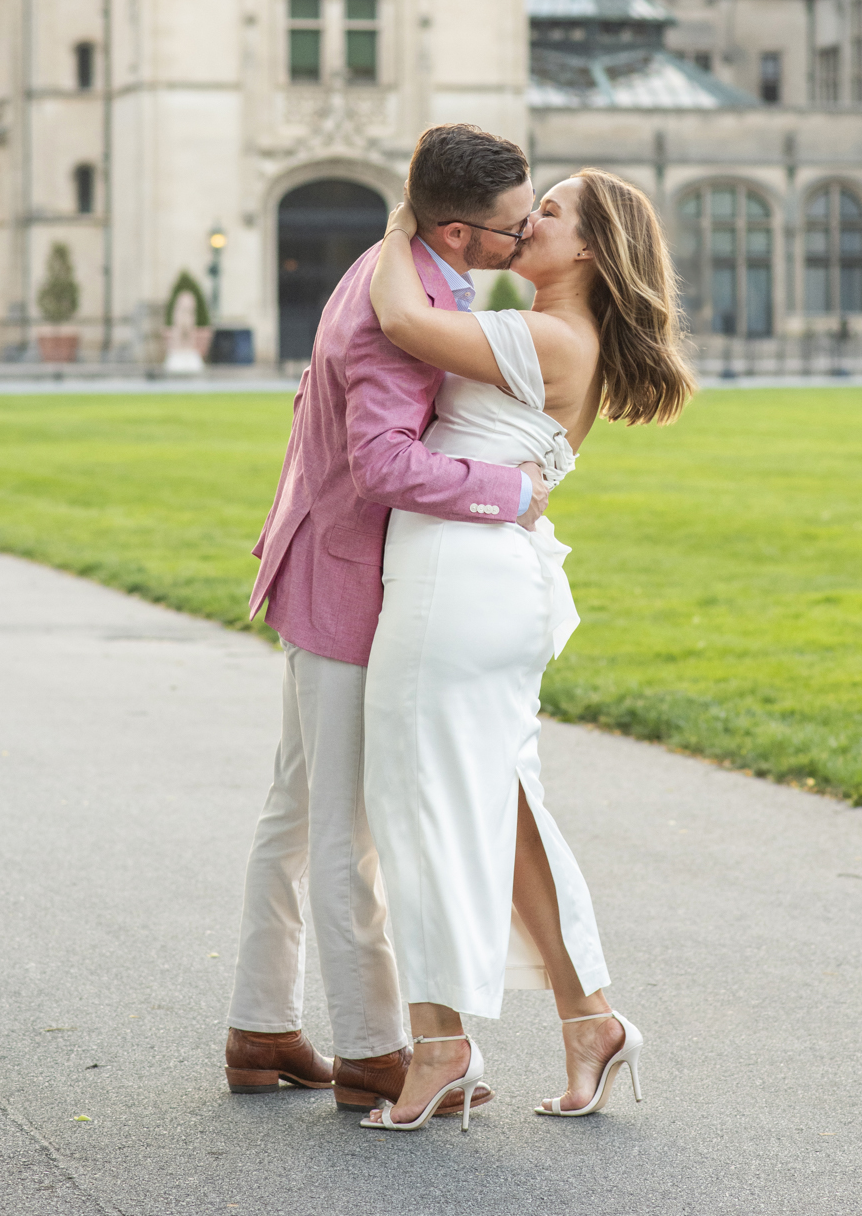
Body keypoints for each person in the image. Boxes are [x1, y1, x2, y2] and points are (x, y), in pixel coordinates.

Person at [225, 125, 552, 1116]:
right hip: (345, 584)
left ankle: (261, 1025)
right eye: (511, 226)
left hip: (316, 565)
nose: (525, 236)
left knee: (295, 810)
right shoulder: (393, 310)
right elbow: (384, 465)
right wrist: (513, 490)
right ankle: (371, 1048)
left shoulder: (396, 266)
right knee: (344, 828)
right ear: (458, 231)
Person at [361, 168, 696, 1131]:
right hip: (484, 578)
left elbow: (401, 317)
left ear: (586, 249)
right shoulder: (555, 331)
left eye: (547, 212)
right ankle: (587, 1018)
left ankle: (438, 1047)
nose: (526, 222)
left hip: (454, 586)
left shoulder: (549, 333)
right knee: (501, 810)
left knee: (414, 803)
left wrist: (406, 221)